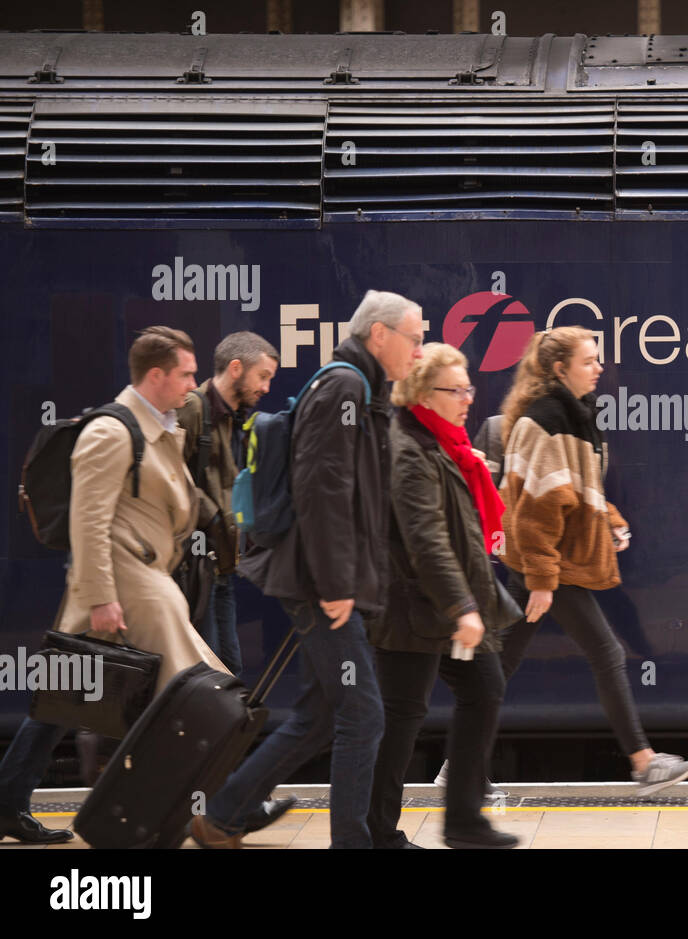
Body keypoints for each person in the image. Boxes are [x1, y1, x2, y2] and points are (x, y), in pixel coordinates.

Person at [189, 291, 424, 849]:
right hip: (320, 583)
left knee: (320, 716)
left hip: (329, 580)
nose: (420, 349)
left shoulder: (361, 389)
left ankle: (224, 814)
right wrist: (336, 581)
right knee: (364, 714)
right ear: (380, 336)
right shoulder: (343, 387)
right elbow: (323, 490)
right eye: (414, 338)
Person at [0, 327, 229, 844]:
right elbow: (88, 520)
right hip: (117, 589)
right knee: (188, 692)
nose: (194, 385)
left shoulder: (160, 426)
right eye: (187, 374)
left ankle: (8, 802)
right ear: (156, 375)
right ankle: (224, 806)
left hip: (136, 582)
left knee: (64, 701)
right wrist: (101, 597)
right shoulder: (113, 431)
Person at [494, 327, 688, 795]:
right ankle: (644, 763)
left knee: (499, 664)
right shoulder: (547, 419)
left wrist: (609, 518)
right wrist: (544, 580)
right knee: (606, 653)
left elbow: (577, 489)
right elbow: (534, 509)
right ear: (558, 368)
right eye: (588, 360)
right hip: (548, 566)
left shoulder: (575, 415)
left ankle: (458, 771)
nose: (599, 368)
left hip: (546, 564)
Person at [367, 343, 522, 849]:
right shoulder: (410, 451)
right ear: (421, 392)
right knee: (402, 717)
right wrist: (464, 607)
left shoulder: (444, 445)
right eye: (454, 390)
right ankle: (378, 832)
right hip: (415, 608)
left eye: (468, 388)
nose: (467, 399)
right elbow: (426, 539)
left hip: (445, 606)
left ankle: (463, 821)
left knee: (484, 690)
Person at [177, 330, 280, 677]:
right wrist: (216, 517)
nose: (266, 387)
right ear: (236, 368)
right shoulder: (194, 408)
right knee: (210, 675)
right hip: (193, 570)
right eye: (262, 376)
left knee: (229, 672)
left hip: (221, 568)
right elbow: (171, 479)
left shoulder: (238, 419)